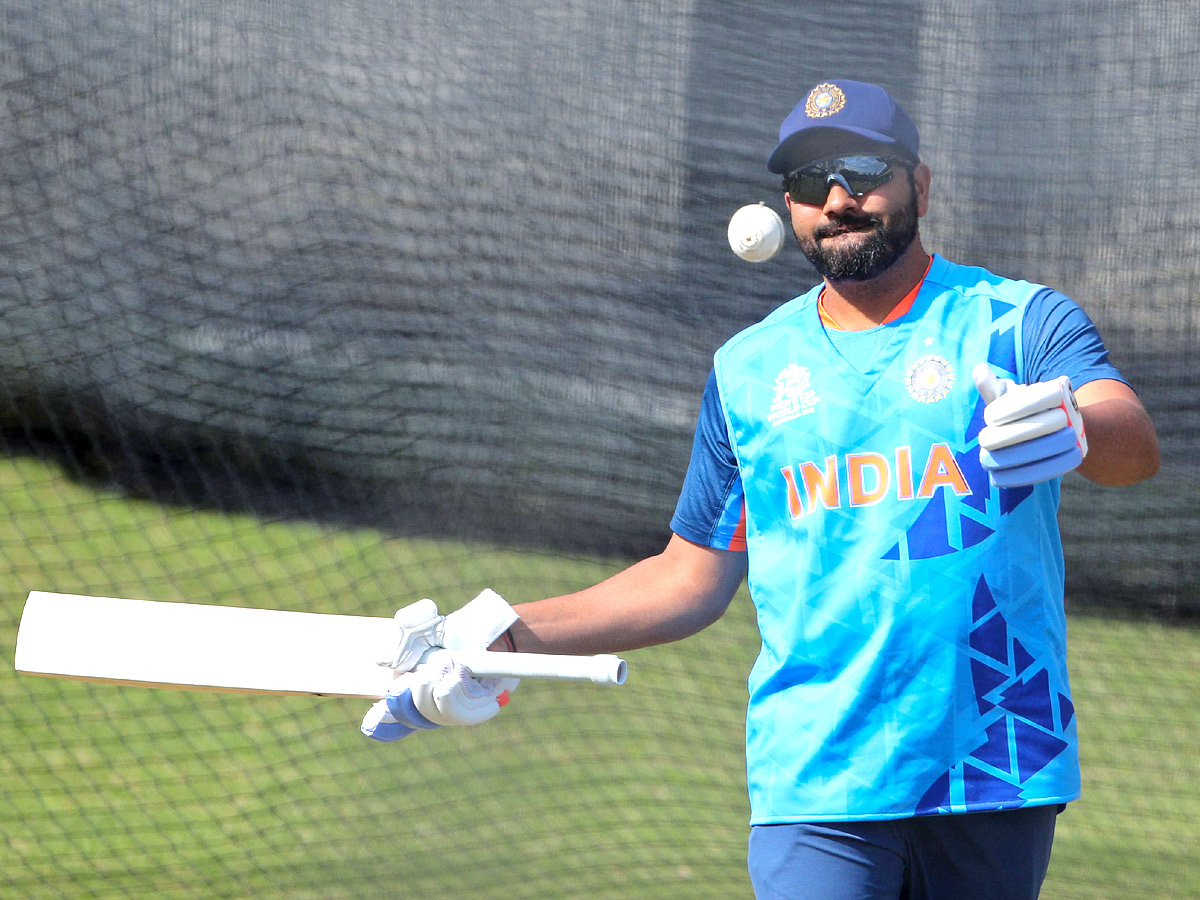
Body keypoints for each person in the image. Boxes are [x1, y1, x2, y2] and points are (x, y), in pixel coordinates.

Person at [363, 79, 1160, 900]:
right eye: (813, 183)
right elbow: (687, 580)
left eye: (863, 169)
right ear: (789, 206)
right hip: (815, 774)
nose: (840, 198)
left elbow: (1131, 440)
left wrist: (1077, 428)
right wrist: (501, 637)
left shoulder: (1018, 321)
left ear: (920, 184)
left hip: (995, 760)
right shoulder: (747, 370)